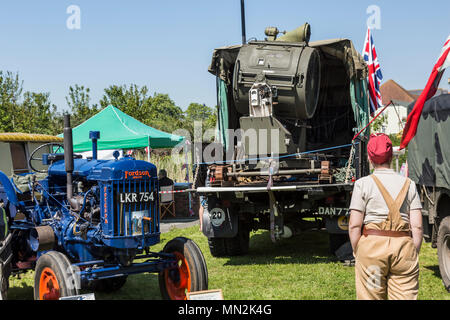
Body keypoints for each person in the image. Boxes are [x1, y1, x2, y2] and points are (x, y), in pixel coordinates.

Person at [348, 133, 423, 300]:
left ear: (369, 157)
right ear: (391, 156)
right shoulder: (409, 184)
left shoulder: (362, 184)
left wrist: (357, 250)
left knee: (371, 296)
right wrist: (413, 251)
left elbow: (354, 225)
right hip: (403, 248)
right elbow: (417, 226)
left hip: (372, 250)